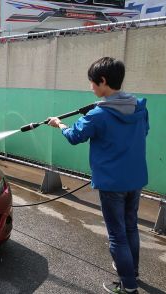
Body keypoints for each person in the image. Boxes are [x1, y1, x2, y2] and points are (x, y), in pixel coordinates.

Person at [47, 57, 149, 294]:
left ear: (103, 82)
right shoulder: (139, 107)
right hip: (135, 179)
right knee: (131, 227)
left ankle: (128, 286)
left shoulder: (98, 115)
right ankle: (131, 272)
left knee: (117, 235)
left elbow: (74, 136)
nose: (90, 87)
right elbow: (144, 131)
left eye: (92, 83)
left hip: (112, 183)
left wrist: (59, 124)